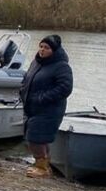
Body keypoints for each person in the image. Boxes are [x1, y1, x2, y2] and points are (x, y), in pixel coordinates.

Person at [19, 34, 73, 178]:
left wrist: (43, 98)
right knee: (36, 137)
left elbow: (65, 88)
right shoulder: (36, 62)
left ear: (54, 50)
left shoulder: (62, 66)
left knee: (35, 138)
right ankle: (44, 165)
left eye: (47, 48)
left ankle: (42, 168)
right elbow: (27, 78)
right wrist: (22, 91)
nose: (42, 50)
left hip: (49, 110)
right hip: (32, 108)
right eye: (41, 46)